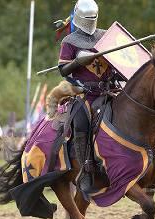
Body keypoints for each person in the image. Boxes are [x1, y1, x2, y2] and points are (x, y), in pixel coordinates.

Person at [48, 0, 118, 197]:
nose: (90, 21)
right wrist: (78, 61)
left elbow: (120, 62)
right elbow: (63, 69)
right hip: (85, 93)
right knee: (80, 121)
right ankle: (87, 169)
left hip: (110, 89)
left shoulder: (106, 36)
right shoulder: (69, 41)